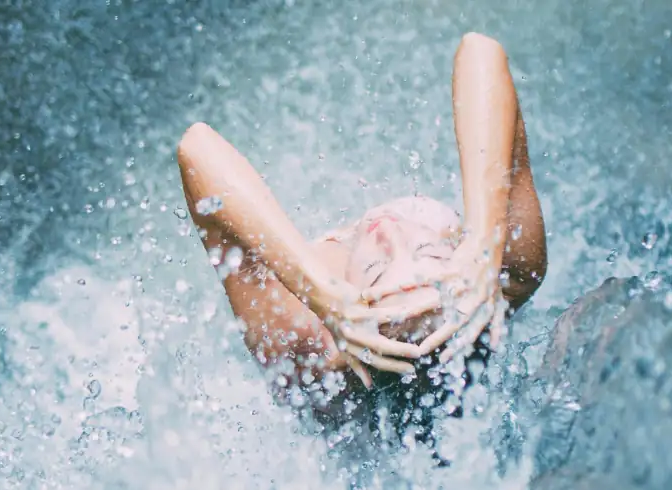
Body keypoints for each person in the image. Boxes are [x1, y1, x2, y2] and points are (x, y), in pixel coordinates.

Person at [173, 33, 545, 434]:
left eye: (376, 269)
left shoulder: (305, 346)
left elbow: (196, 148)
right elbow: (480, 49)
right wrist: (483, 241)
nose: (389, 233)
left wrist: (318, 294)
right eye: (428, 252)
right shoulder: (509, 274)